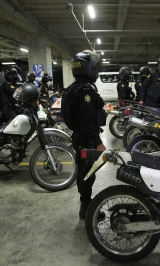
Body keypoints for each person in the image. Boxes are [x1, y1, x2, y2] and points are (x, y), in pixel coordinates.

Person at [68, 50, 106, 220]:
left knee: (85, 172)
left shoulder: (74, 88)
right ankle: (86, 209)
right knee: (87, 173)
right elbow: (88, 122)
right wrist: (98, 142)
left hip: (79, 137)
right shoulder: (86, 92)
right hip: (87, 139)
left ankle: (86, 204)